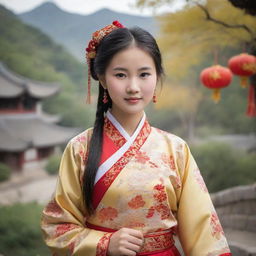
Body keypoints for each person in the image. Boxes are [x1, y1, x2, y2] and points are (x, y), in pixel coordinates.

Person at [41, 21, 232, 256]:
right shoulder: (80, 148)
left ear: (157, 76)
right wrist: (103, 244)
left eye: (144, 74)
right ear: (102, 78)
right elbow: (57, 227)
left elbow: (204, 232)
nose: (133, 87)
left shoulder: (176, 149)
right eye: (120, 75)